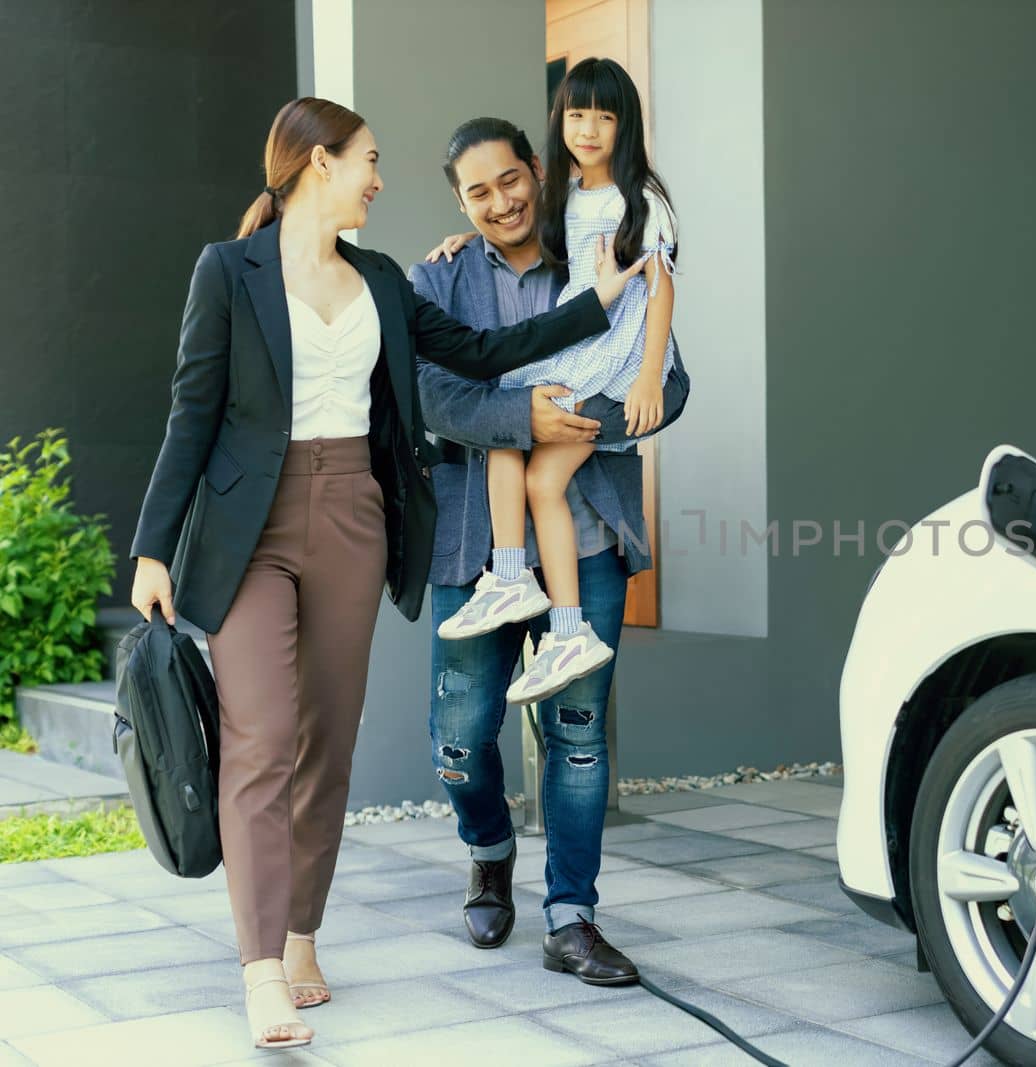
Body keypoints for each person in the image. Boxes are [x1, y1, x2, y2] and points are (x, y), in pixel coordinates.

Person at [127, 96, 642, 1051]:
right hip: (249, 527)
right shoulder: (229, 271)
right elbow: (190, 411)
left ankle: (301, 933)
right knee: (260, 739)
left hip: (353, 518)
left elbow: (486, 354)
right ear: (319, 163)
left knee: (325, 743)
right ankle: (259, 971)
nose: (376, 175)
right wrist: (154, 546)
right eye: (367, 158)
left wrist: (599, 303)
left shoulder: (381, 280)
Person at [410, 110, 688, 976]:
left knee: (577, 736)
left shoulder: (597, 241)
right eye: (478, 192)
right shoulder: (439, 278)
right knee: (459, 738)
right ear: (460, 201)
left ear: (538, 168)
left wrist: (576, 423)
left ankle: (572, 915)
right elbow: (429, 397)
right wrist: (517, 417)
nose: (500, 202)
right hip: (472, 547)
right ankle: (489, 850)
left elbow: (668, 382)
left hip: (588, 533)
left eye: (510, 180)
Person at [433, 58, 678, 709]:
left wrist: (650, 374)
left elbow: (661, 293)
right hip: (578, 349)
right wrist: (470, 233)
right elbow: (524, 227)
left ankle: (543, 607)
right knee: (510, 425)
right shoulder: (568, 195)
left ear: (625, 124)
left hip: (607, 361)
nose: (590, 129)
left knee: (529, 452)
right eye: (577, 115)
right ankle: (527, 589)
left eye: (605, 115)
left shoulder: (643, 201)